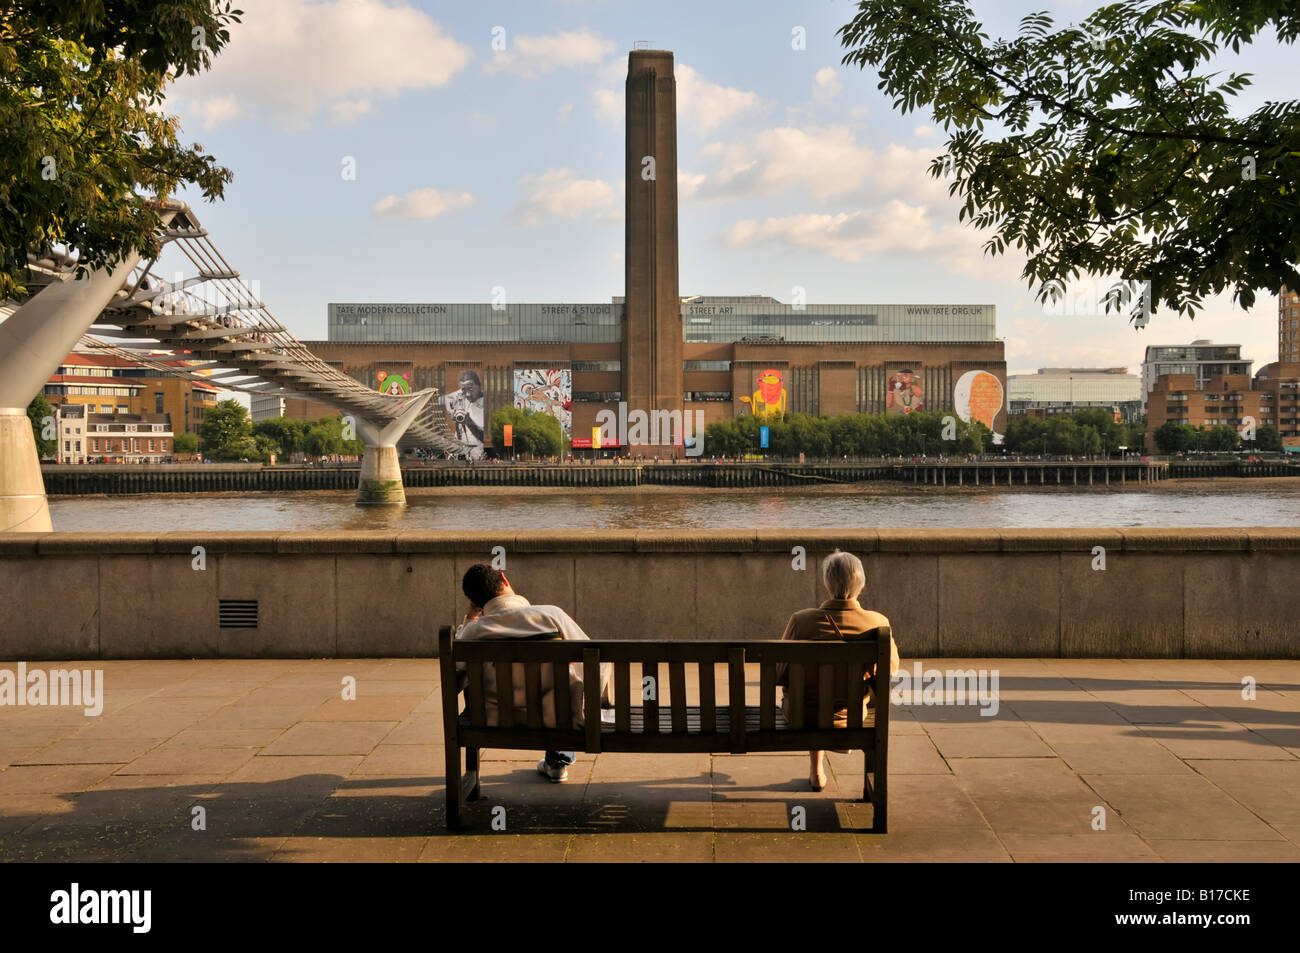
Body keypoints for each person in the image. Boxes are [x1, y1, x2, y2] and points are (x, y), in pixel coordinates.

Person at [454, 564, 609, 783]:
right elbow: (596, 662)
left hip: (494, 719)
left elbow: (456, 674)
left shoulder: (473, 632)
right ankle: (558, 758)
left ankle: (555, 760)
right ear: (504, 579)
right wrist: (588, 707)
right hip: (556, 719)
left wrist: (470, 619)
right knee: (559, 691)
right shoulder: (550, 615)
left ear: (476, 603)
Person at [777, 550, 901, 792]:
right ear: (861, 584)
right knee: (838, 693)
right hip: (850, 716)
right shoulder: (877, 623)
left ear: (826, 583)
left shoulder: (801, 621)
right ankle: (837, 746)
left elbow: (779, 673)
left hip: (802, 717)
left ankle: (816, 770)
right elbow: (889, 672)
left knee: (811, 691)